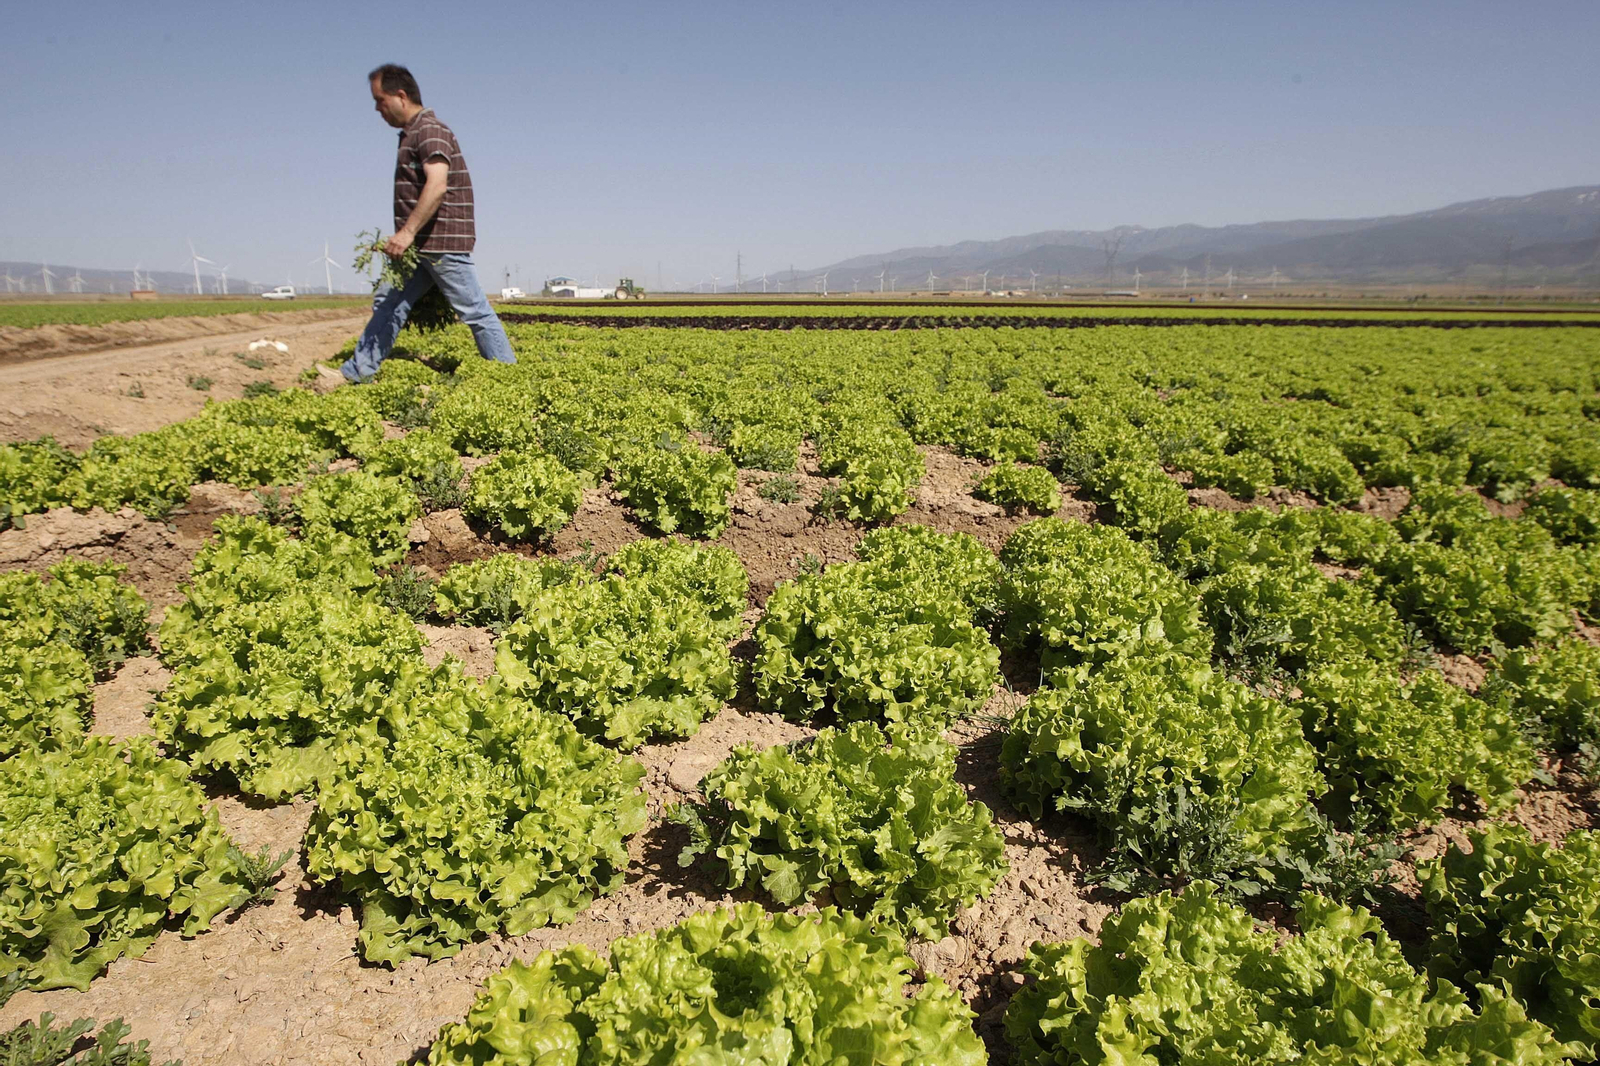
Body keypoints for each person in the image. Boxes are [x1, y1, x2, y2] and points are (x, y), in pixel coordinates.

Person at [314, 64, 515, 391]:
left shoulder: (430, 130)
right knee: (389, 303)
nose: (377, 109)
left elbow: (437, 185)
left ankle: (509, 380)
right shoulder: (414, 133)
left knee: (474, 311)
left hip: (441, 243)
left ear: (401, 96)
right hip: (420, 246)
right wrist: (406, 236)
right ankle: (356, 372)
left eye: (380, 100)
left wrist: (406, 232)